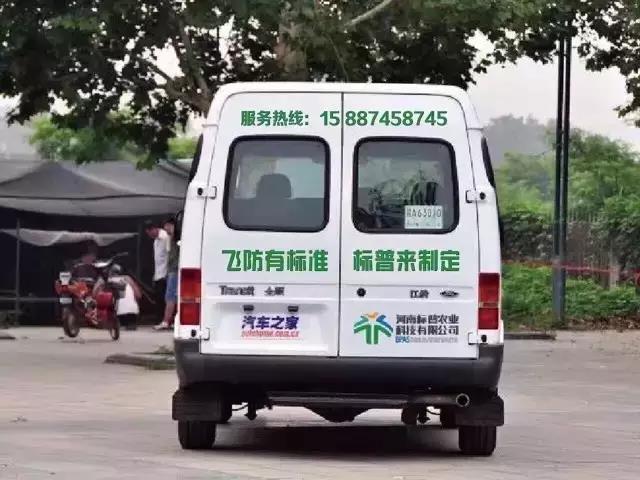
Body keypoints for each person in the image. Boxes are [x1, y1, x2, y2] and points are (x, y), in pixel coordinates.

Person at [154, 217, 179, 330]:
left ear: (173, 226)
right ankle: (173, 320)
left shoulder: (177, 238)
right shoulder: (169, 238)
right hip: (171, 270)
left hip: (175, 269)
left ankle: (166, 321)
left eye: (168, 226)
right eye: (165, 226)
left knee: (170, 296)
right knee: (173, 296)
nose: (166, 228)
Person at [144, 220, 170, 324]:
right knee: (158, 298)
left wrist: (168, 273)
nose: (150, 236)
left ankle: (165, 319)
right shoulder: (155, 241)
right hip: (158, 274)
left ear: (154, 229)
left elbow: (169, 255)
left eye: (150, 233)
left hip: (165, 274)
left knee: (164, 298)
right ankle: (159, 319)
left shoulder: (165, 238)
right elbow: (157, 259)